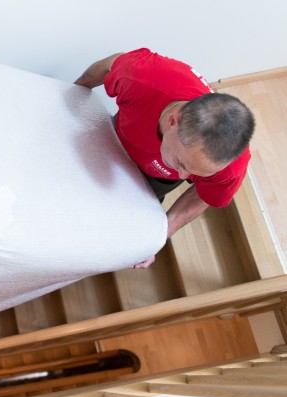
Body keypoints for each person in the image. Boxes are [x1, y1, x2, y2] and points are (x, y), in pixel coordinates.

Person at [75, 48, 254, 268]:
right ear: (172, 121)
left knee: (107, 225)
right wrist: (71, 93)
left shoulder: (232, 169)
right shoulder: (144, 76)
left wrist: (158, 237)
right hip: (115, 137)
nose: (181, 176)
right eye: (181, 163)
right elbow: (105, 66)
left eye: (196, 174)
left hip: (153, 180)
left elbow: (202, 196)